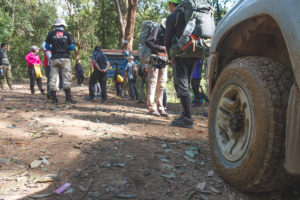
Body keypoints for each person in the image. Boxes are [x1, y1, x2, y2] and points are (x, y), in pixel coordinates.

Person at [165, 0, 198, 128]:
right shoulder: (194, 14)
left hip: (180, 54)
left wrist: (170, 57)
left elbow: (167, 40)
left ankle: (188, 119)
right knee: (187, 83)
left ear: (172, 4)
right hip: (195, 52)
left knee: (182, 85)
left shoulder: (173, 16)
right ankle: (185, 114)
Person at [45, 18, 77, 104]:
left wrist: (54, 49)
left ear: (56, 25)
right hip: (65, 59)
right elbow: (72, 48)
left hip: (54, 58)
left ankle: (54, 99)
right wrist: (65, 48)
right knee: (66, 77)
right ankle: (68, 99)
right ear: (63, 26)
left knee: (53, 78)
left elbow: (47, 46)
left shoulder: (50, 34)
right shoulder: (67, 34)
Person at [145, 19, 168, 117]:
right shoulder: (157, 29)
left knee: (162, 84)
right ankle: (151, 107)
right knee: (152, 82)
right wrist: (161, 49)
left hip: (164, 60)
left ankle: (160, 107)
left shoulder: (170, 32)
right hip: (154, 59)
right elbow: (148, 42)